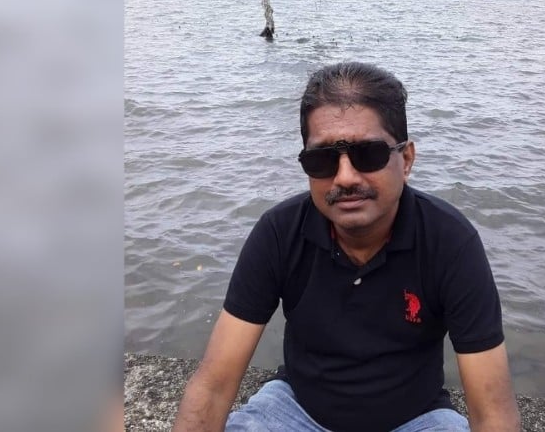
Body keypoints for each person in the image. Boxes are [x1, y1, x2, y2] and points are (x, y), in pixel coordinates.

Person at [171, 62, 521, 432]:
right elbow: (214, 385)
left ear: (406, 160)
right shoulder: (279, 233)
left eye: (368, 154)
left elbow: (492, 412)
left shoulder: (450, 242)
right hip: (296, 410)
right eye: (322, 159)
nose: (345, 177)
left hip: (416, 419)